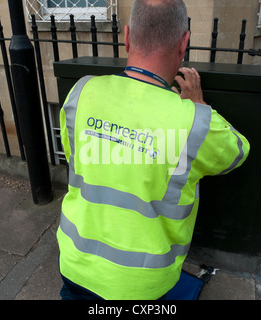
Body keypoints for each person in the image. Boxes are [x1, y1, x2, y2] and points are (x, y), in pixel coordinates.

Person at [57, 0, 250, 300]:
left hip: (74, 265)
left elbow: (74, 158)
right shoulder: (196, 123)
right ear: (184, 42)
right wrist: (199, 105)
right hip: (143, 286)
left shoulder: (81, 92)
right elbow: (238, 151)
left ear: (128, 36)